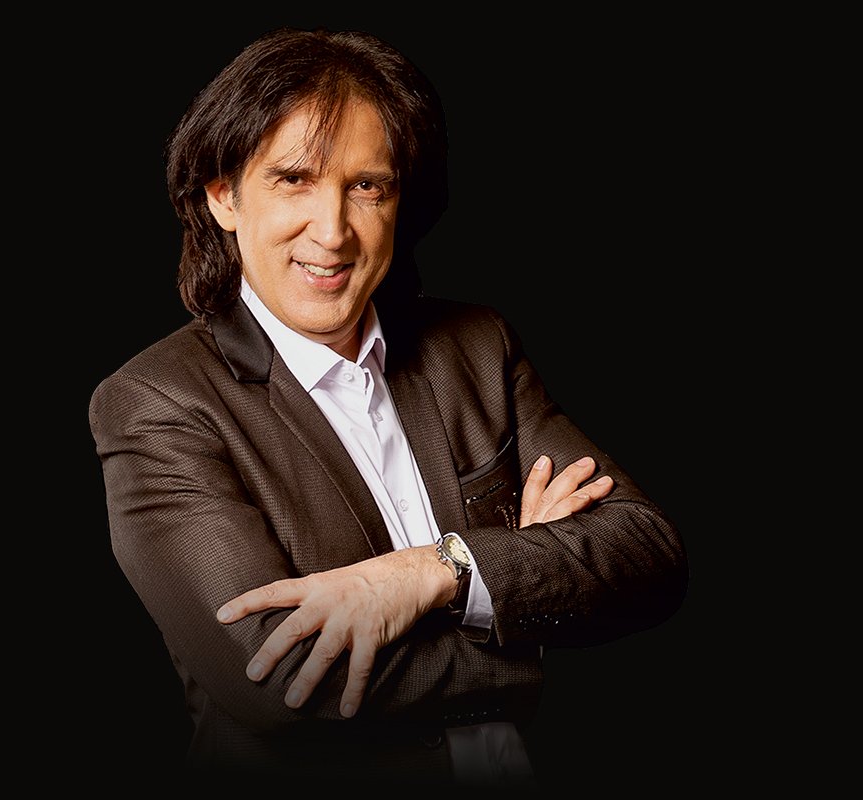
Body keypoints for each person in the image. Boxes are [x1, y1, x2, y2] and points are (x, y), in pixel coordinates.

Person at [89, 25, 688, 789]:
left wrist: (432, 573)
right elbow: (282, 681)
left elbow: (648, 554)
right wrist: (527, 607)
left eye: (367, 186)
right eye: (294, 179)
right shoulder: (157, 402)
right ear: (222, 196)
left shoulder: (476, 345)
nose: (333, 230)